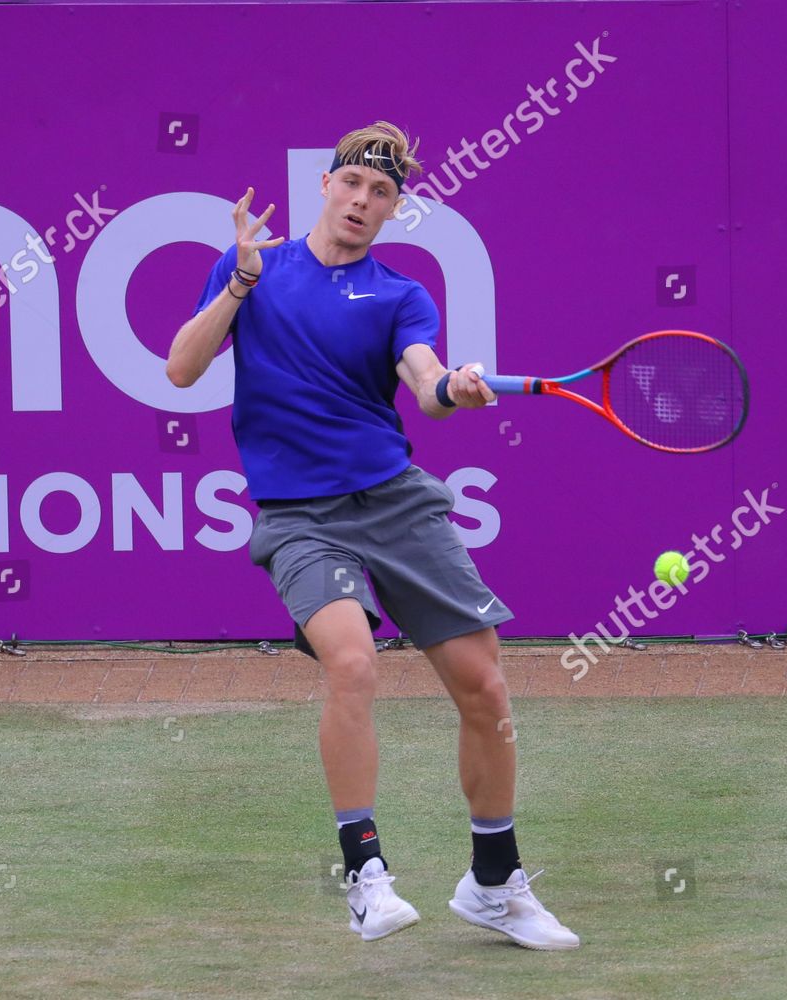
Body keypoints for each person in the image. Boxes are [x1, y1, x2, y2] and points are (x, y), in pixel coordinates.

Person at [165, 122, 579, 949]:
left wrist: (452, 388)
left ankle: (494, 884)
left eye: (381, 193)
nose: (362, 201)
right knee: (352, 662)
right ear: (324, 185)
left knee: (485, 687)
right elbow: (181, 368)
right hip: (301, 517)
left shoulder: (399, 295)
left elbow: (422, 381)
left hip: (395, 502)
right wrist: (240, 282)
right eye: (352, 183)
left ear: (395, 210)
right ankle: (366, 874)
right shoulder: (255, 270)